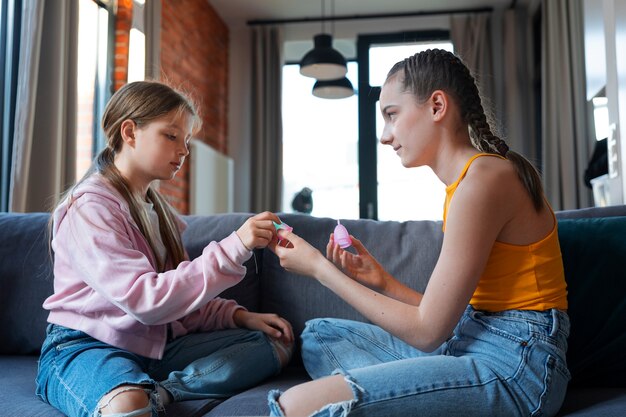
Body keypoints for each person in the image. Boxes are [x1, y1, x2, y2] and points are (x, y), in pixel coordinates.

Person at [268, 49, 569, 417]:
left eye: (391, 115)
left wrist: (318, 267)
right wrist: (380, 280)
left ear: (437, 106)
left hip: (517, 366)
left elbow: (429, 332)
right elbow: (443, 317)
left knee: (294, 404)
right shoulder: (467, 182)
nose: (384, 136)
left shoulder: (483, 183)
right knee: (320, 335)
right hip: (471, 337)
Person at [36, 80, 294, 417]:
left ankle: (161, 392)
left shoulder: (160, 214)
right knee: (127, 408)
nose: (184, 150)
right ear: (129, 132)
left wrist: (240, 316)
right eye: (171, 136)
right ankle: (138, 395)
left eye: (186, 141)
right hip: (86, 346)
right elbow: (148, 300)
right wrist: (236, 245)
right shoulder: (91, 208)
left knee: (278, 343)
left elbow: (178, 301)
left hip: (156, 344)